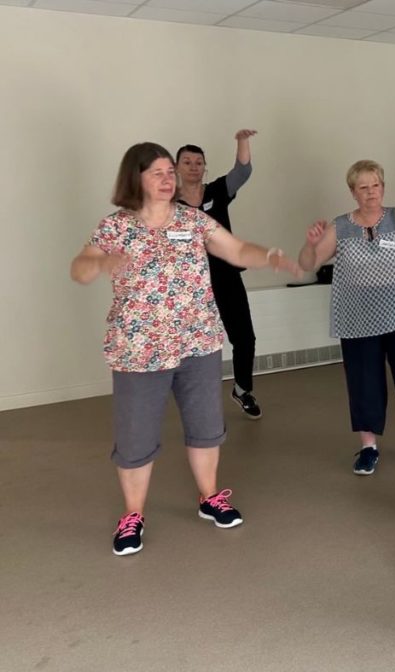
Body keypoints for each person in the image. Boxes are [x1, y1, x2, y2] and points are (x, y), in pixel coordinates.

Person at [70, 142, 300, 556]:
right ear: (134, 177)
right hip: (138, 349)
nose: (167, 179)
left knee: (205, 426)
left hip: (198, 341)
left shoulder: (194, 220)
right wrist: (101, 264)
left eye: (168, 172)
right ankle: (133, 514)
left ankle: (210, 497)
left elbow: (234, 248)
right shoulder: (115, 227)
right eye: (157, 172)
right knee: (136, 435)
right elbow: (80, 267)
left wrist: (268, 256)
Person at [299, 160, 395, 476]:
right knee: (364, 383)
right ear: (352, 192)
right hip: (357, 318)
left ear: (383, 187)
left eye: (375, 185)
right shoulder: (340, 226)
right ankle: (369, 446)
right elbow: (308, 262)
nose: (371, 192)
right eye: (363, 187)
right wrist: (310, 242)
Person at [177, 130, 264, 419]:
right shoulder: (168, 204)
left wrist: (242, 141)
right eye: (187, 162)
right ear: (177, 168)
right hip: (189, 283)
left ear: (205, 167)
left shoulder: (217, 192)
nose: (193, 166)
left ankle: (242, 389)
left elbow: (243, 170)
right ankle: (192, 396)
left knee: (244, 337)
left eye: (198, 162)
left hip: (225, 275)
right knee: (191, 343)